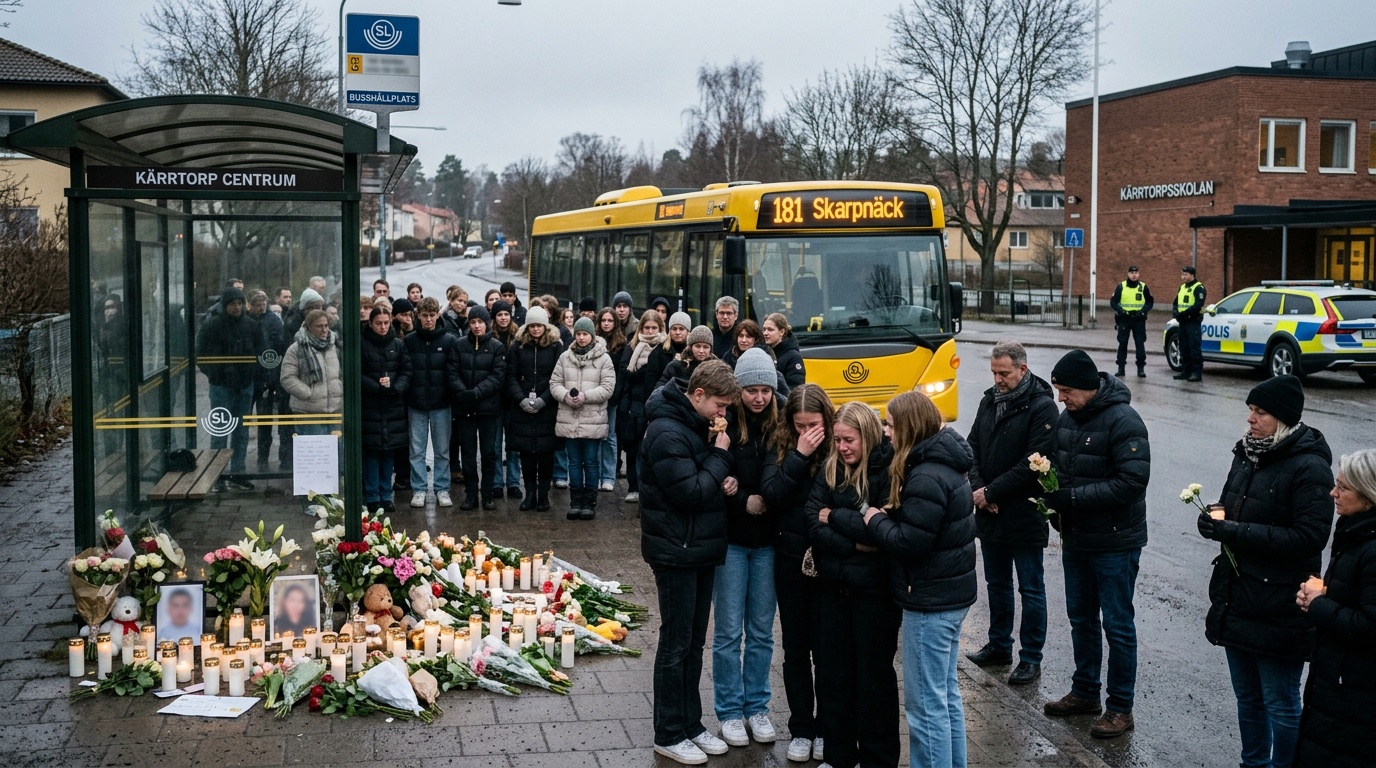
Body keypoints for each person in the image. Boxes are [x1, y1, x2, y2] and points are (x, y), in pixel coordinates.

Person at [1197, 375, 1334, 768]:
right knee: (1248, 698)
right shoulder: (1247, 452)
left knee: (1281, 702)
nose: (1251, 419)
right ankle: (1252, 763)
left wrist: (1236, 531)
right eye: (1251, 411)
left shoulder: (1309, 466)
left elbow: (1309, 537)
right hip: (1238, 596)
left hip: (1280, 603)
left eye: (1261, 413)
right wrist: (1213, 521)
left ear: (1285, 419)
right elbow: (1229, 504)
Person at [857, 391, 977, 768]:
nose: (887, 433)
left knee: (925, 708)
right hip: (950, 595)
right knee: (945, 697)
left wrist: (875, 519)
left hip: (929, 601)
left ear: (908, 426)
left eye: (891, 425)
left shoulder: (925, 475)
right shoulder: (945, 462)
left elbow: (912, 543)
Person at [1042, 349, 1151, 739]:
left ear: (1089, 388)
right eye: (1058, 390)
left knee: (1117, 625)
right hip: (1077, 539)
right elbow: (1052, 464)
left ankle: (1120, 707)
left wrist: (1070, 499)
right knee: (1081, 619)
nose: (1061, 398)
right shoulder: (1067, 420)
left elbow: (1131, 483)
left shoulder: (1124, 421)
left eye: (1066, 390)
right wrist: (1048, 495)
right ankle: (1086, 691)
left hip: (1115, 542)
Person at [640, 360, 739, 766]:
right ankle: (668, 732)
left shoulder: (697, 422)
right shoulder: (665, 430)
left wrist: (722, 479)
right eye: (719, 405)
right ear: (697, 395)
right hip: (675, 549)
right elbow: (692, 493)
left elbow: (705, 483)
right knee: (676, 643)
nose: (723, 415)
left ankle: (691, 724)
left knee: (694, 643)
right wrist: (721, 460)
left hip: (698, 547)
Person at [806, 401, 899, 768]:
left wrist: (837, 518)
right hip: (832, 588)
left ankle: (877, 759)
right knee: (833, 677)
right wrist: (855, 542)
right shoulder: (830, 468)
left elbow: (883, 531)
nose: (842, 448)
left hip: (875, 593)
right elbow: (812, 521)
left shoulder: (889, 469)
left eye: (849, 440)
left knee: (873, 681)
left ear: (868, 436)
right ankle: (839, 756)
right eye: (838, 440)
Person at [965, 341, 1058, 686]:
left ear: (1022, 369)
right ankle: (999, 644)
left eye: (1003, 373)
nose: (997, 379)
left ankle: (1031, 657)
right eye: (994, 372)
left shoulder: (1043, 407)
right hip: (989, 510)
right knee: (997, 583)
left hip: (1024, 512)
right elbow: (972, 447)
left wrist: (991, 491)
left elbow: (1034, 464)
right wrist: (980, 491)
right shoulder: (990, 400)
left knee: (1031, 588)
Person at [712, 348, 783, 749]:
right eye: (751, 390)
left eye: (765, 391)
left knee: (760, 630)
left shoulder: (781, 421)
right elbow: (718, 473)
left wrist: (749, 492)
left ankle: (758, 705)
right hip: (733, 539)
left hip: (768, 541)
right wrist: (739, 496)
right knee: (726, 631)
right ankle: (729, 710)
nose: (758, 398)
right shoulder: (725, 421)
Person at [760, 384, 833, 763]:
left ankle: (825, 727)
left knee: (826, 650)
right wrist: (799, 457)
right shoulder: (783, 443)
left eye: (814, 425)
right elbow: (772, 495)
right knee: (795, 649)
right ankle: (801, 727)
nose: (807, 432)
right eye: (800, 425)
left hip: (828, 561)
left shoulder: (838, 445)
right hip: (789, 557)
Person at [1294, 449, 1376, 767]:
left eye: (1342, 487)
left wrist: (1319, 605)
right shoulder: (1357, 531)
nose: (1333, 492)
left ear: (1368, 495)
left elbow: (1370, 624)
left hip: (1355, 691)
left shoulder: (1369, 547)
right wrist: (1323, 596)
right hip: (1340, 681)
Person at [550, 317, 617, 520]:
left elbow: (607, 388)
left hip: (592, 420)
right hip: (569, 419)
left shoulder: (604, 359)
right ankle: (575, 501)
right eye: (578, 334)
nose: (581, 338)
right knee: (573, 462)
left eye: (585, 334)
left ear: (592, 336)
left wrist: (585, 396)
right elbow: (555, 383)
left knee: (590, 461)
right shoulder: (564, 357)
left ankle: (589, 502)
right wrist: (566, 396)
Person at [196, 286, 262, 489]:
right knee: (220, 430)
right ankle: (217, 475)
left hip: (244, 384)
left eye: (240, 303)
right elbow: (201, 354)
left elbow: (261, 352)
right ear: (225, 305)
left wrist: (253, 375)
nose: (237, 307)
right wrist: (215, 374)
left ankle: (238, 473)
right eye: (233, 304)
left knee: (241, 431)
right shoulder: (211, 325)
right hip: (221, 385)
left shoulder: (251, 325)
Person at [505, 306, 565, 512]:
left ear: (545, 326)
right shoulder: (517, 346)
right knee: (527, 454)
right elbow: (510, 376)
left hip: (547, 406)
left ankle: (543, 496)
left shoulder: (556, 346)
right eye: (532, 326)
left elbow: (559, 377)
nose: (536, 329)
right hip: (523, 406)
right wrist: (521, 400)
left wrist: (544, 400)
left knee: (546, 453)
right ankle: (530, 494)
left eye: (539, 325)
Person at [448, 306, 507, 511]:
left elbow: (498, 376)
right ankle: (471, 494)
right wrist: (464, 392)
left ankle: (488, 494)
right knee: (468, 453)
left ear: (486, 323)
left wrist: (476, 392)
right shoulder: (459, 345)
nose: (476, 326)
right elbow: (452, 372)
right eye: (473, 322)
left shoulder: (497, 347)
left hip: (488, 409)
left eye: (480, 322)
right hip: (465, 408)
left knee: (489, 453)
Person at [404, 298, 457, 509]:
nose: (428, 319)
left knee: (442, 450)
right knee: (416, 450)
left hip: (441, 403)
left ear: (437, 315)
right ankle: (419, 489)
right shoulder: (409, 340)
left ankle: (442, 488)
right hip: (416, 403)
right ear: (418, 315)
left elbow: (452, 372)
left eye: (432, 315)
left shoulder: (449, 341)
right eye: (424, 315)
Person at [361, 307, 410, 514]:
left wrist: (395, 387)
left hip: (392, 405)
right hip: (371, 405)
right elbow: (357, 372)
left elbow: (407, 370)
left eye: (386, 323)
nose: (382, 327)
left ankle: (386, 494)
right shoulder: (362, 344)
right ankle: (372, 495)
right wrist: (376, 386)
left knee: (388, 451)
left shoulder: (398, 344)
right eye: (378, 323)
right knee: (372, 452)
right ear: (371, 323)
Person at [618, 311, 665, 505]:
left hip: (654, 403)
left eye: (654, 328)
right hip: (635, 404)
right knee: (633, 448)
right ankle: (633, 486)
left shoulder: (664, 347)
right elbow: (625, 372)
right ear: (641, 328)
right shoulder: (633, 346)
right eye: (647, 328)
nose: (651, 331)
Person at [246, 290, 289, 473]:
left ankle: (262, 458)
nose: (261, 306)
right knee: (244, 421)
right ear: (250, 304)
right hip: (248, 378)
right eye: (257, 303)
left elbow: (279, 347)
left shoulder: (273, 321)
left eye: (263, 303)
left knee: (265, 422)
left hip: (266, 378)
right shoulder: (245, 321)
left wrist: (273, 375)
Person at [279, 310, 342, 433]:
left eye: (326, 325)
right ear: (309, 327)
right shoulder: (296, 348)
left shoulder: (335, 346)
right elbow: (287, 378)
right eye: (319, 326)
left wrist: (340, 389)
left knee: (336, 450)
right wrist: (308, 394)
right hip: (308, 413)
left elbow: (343, 373)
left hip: (335, 411)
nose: (324, 329)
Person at [596, 307, 628, 493]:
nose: (606, 323)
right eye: (603, 320)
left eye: (610, 320)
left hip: (612, 398)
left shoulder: (622, 344)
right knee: (595, 436)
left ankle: (608, 476)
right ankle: (596, 475)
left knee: (609, 437)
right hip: (595, 397)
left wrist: (614, 396)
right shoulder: (594, 342)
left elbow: (622, 373)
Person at [1110, 266, 1154, 378]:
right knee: (1122, 343)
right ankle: (1121, 368)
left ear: (1138, 274)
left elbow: (1150, 302)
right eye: (1132, 273)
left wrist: (1143, 312)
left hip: (1138, 320)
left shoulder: (1143, 287)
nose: (1134, 275)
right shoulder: (1121, 287)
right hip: (1124, 319)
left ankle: (1141, 369)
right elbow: (1113, 302)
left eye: (1136, 273)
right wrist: (1122, 311)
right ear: (1128, 274)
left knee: (1140, 344)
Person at [1173, 265, 1207, 382]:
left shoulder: (1199, 288)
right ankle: (1186, 371)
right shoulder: (1182, 287)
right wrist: (1176, 313)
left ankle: (1196, 373)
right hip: (1183, 322)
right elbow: (1176, 302)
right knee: (1183, 347)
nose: (1183, 277)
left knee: (1194, 348)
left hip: (1192, 321)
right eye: (1182, 274)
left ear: (1192, 275)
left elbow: (1198, 304)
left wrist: (1186, 313)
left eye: (1185, 274)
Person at [659, 325, 717, 391]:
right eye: (697, 346)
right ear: (690, 347)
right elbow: (659, 392)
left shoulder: (717, 371)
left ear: (710, 349)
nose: (701, 351)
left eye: (705, 347)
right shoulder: (675, 367)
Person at [647, 312, 690, 391]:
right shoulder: (658, 352)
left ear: (688, 331)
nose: (677, 332)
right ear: (669, 331)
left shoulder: (693, 353)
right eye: (674, 329)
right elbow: (650, 381)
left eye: (681, 329)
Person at [763, 312, 806, 390]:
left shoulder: (794, 357)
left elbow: (796, 388)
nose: (765, 333)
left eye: (770, 330)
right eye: (764, 329)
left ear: (781, 332)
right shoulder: (763, 353)